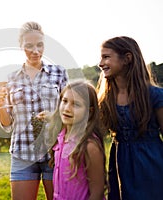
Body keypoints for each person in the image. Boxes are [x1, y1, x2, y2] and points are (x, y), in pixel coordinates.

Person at [0, 21, 68, 200]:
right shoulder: (11, 78)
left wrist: (54, 117)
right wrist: (0, 105)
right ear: (21, 46)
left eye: (40, 45)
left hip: (54, 151)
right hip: (22, 154)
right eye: (29, 46)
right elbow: (7, 125)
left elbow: (69, 110)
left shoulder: (58, 73)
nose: (35, 50)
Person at [97, 36, 163, 200]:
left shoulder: (155, 96)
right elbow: (96, 132)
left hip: (151, 164)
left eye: (106, 57)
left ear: (127, 58)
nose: (100, 63)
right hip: (119, 164)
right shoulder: (107, 98)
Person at [48, 81, 106, 200]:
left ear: (89, 111)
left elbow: (97, 192)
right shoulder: (60, 138)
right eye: (64, 101)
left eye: (76, 104)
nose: (67, 109)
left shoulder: (90, 146)